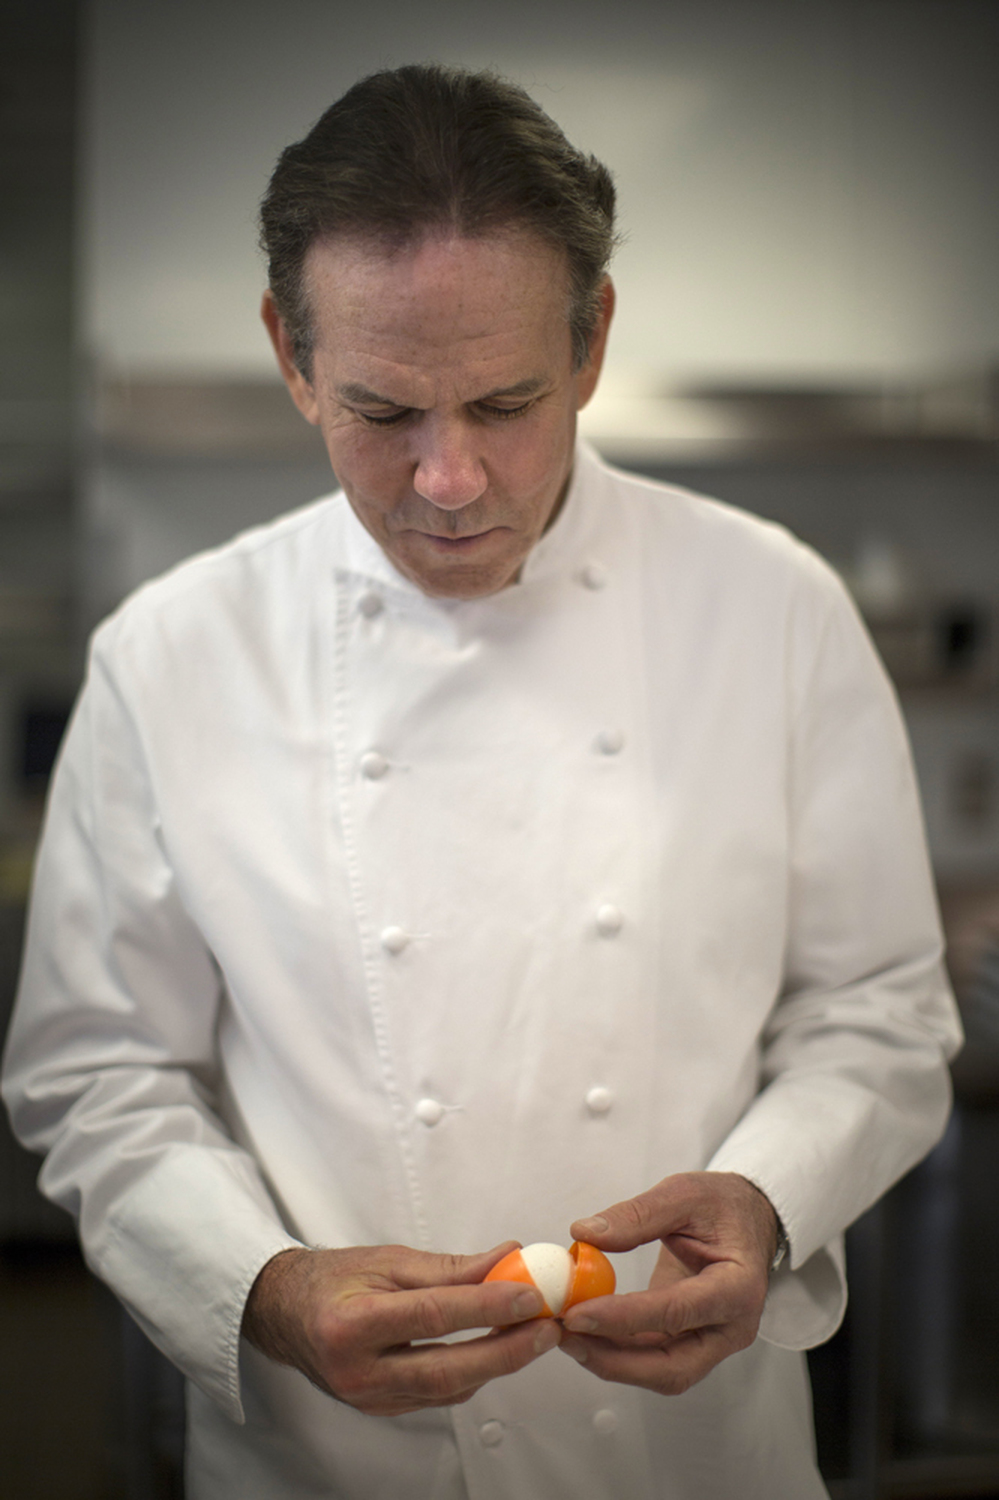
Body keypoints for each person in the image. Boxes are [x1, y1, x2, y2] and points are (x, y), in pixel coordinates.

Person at [2, 64, 962, 1500]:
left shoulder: (775, 610)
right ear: (290, 352)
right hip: (320, 1465)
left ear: (592, 344)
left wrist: (767, 1203)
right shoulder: (171, 656)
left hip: (693, 1458)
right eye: (382, 411)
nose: (447, 480)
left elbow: (879, 1012)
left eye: (505, 401)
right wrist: (266, 1288)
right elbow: (98, 1073)